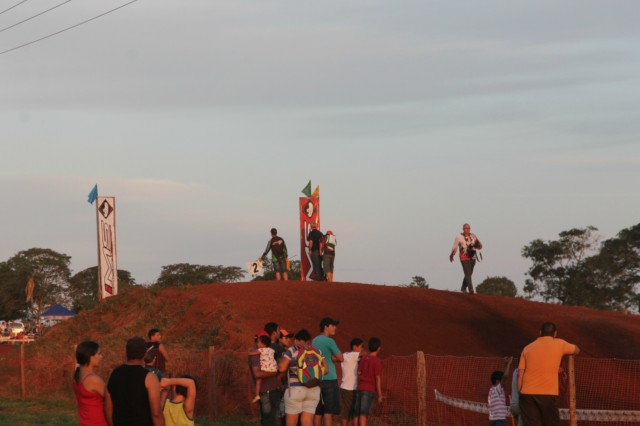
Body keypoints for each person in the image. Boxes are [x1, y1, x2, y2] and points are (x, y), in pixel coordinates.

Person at [518, 322, 580, 426]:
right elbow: (577, 350)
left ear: (540, 332)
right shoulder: (560, 344)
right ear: (555, 333)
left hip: (527, 393)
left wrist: (521, 393)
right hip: (547, 394)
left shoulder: (527, 348)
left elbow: (520, 373)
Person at [105, 336, 165, 426]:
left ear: (126, 352)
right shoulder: (150, 377)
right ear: (145, 354)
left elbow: (108, 408)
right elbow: (156, 413)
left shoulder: (113, 374)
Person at [279, 329, 326, 426]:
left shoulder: (292, 350)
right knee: (307, 422)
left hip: (296, 390)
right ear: (309, 340)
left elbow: (282, 368)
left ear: (296, 340)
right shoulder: (318, 351)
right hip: (313, 389)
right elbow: (326, 370)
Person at [312, 317, 343, 426]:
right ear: (326, 327)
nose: (335, 328)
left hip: (317, 379)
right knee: (328, 412)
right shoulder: (330, 341)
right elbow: (341, 358)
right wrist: (332, 357)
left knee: (318, 412)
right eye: (333, 325)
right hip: (330, 379)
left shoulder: (314, 340)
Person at [249, 331, 282, 426]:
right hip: (267, 391)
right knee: (269, 418)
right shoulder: (258, 354)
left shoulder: (263, 351)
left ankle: (256, 395)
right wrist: (274, 373)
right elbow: (257, 374)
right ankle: (256, 395)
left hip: (273, 389)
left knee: (272, 417)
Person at [72, 341, 108, 426]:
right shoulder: (93, 380)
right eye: (99, 354)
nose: (101, 357)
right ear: (90, 357)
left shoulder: (76, 377)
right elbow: (111, 399)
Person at [354, 337, 383, 426]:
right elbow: (377, 379)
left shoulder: (364, 358)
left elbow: (358, 372)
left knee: (357, 413)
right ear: (378, 348)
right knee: (364, 414)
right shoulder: (377, 361)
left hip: (360, 388)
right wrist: (380, 395)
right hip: (369, 389)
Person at [449, 223, 483, 294]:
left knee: (469, 274)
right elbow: (455, 247)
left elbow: (480, 246)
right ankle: (471, 290)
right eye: (466, 228)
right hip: (464, 257)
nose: (467, 230)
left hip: (473, 257)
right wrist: (452, 255)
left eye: (469, 228)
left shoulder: (473, 236)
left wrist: (477, 245)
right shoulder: (459, 237)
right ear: (463, 229)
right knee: (467, 273)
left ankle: (463, 288)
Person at [340, 338, 364, 426]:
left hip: (343, 387)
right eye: (361, 347)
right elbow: (364, 354)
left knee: (345, 414)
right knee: (355, 413)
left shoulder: (345, 354)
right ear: (355, 347)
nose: (362, 349)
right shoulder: (354, 355)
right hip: (351, 388)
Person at [249, 333, 278, 403]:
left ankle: (257, 395)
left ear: (263, 344)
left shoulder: (261, 350)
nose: (257, 344)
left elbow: (251, 354)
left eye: (259, 343)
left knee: (258, 380)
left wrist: (248, 351)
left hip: (265, 369)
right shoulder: (272, 350)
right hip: (273, 368)